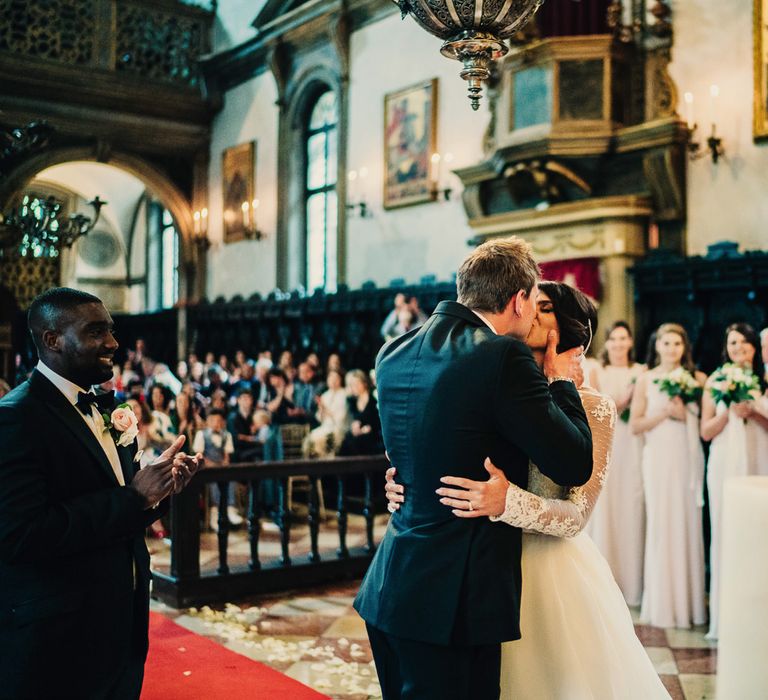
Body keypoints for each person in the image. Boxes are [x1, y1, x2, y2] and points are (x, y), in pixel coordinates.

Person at [385, 282, 669, 699]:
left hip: (548, 573)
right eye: (530, 303)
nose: (531, 311)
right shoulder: (493, 381)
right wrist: (402, 479)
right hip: (479, 568)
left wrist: (509, 502)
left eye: (546, 307)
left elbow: (577, 516)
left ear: (570, 327)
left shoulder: (594, 406)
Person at [353, 237, 593, 700]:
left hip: (390, 586)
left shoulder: (393, 351)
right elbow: (573, 461)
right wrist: (562, 381)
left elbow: (412, 451)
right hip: (454, 604)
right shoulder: (501, 355)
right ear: (519, 300)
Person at [0, 288, 201, 699]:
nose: (113, 343)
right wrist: (133, 498)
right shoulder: (16, 418)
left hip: (118, 624)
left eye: (110, 330)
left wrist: (156, 492)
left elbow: (118, 507)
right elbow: (22, 534)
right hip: (58, 638)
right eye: (96, 332)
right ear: (52, 340)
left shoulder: (106, 407)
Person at [631, 323, 707, 629]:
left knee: (687, 524)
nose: (671, 348)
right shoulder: (646, 379)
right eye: (666, 343)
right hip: (658, 458)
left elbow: (705, 422)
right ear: (656, 346)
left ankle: (691, 606)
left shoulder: (697, 379)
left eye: (677, 343)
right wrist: (666, 414)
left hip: (687, 459)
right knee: (662, 523)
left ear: (684, 347)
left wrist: (686, 414)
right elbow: (635, 425)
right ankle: (662, 604)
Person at [700, 322, 768, 639]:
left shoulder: (764, 381)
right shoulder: (716, 380)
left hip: (759, 461)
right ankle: (726, 618)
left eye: (743, 342)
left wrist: (754, 412)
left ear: (755, 347)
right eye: (732, 343)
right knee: (726, 530)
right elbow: (705, 431)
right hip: (724, 461)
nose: (738, 348)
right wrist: (729, 413)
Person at [587, 320, 646, 606]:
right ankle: (604, 585)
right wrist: (622, 399)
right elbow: (597, 407)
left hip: (633, 445)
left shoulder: (641, 372)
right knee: (606, 508)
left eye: (624, 338)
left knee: (631, 506)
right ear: (607, 343)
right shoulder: (598, 370)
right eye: (614, 339)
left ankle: (633, 584)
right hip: (607, 441)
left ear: (631, 342)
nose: (619, 344)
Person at [193, 408, 240, 530]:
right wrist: (212, 465)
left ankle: (230, 509)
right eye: (213, 420)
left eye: (219, 420)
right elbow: (200, 456)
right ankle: (215, 513)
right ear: (208, 421)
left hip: (221, 467)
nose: (216, 423)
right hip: (207, 469)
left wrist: (224, 463)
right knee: (213, 482)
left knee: (231, 479)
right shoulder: (202, 434)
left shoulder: (226, 435)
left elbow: (226, 455)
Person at [305, 369, 349, 457]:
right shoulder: (325, 395)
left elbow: (340, 418)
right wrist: (321, 409)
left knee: (322, 440)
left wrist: (325, 409)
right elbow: (319, 418)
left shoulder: (345, 394)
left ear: (340, 380)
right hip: (325, 427)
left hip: (339, 428)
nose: (333, 380)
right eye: (330, 378)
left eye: (335, 378)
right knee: (309, 441)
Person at [337, 369, 382, 456]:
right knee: (346, 442)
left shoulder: (373, 400)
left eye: (357, 383)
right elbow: (352, 420)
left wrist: (365, 429)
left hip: (371, 433)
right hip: (356, 433)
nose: (355, 387)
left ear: (364, 383)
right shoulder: (352, 402)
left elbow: (377, 422)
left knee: (358, 441)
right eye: (353, 385)